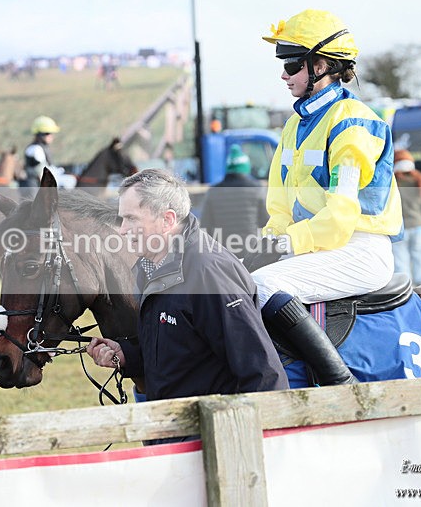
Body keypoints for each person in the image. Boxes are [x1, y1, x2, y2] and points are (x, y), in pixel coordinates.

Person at [243, 9, 403, 386]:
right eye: (282, 64)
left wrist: (288, 242)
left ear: (323, 65)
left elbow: (341, 215)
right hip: (317, 248)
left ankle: (339, 385)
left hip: (359, 249)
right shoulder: (293, 127)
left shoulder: (353, 122)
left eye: (292, 64)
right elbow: (280, 205)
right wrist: (268, 239)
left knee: (264, 286)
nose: (284, 74)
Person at [87, 169, 288, 419]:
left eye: (131, 219)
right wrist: (126, 355)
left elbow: (262, 373)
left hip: (210, 438)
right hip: (175, 432)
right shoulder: (148, 268)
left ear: (168, 220)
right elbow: (182, 351)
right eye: (122, 219)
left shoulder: (209, 274)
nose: (122, 230)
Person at [200, 144, 268, 256]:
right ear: (246, 167)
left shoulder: (213, 192)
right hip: (251, 251)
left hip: (223, 254)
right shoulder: (257, 189)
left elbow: (206, 227)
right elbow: (266, 222)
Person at [392, 150, 421, 286]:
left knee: (401, 264)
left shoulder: (391, 181)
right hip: (419, 225)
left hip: (398, 228)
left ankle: (406, 292)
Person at [21, 115, 60, 192]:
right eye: (49, 133)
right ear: (41, 134)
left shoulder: (40, 148)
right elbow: (40, 173)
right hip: (35, 190)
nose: (52, 136)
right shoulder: (35, 149)